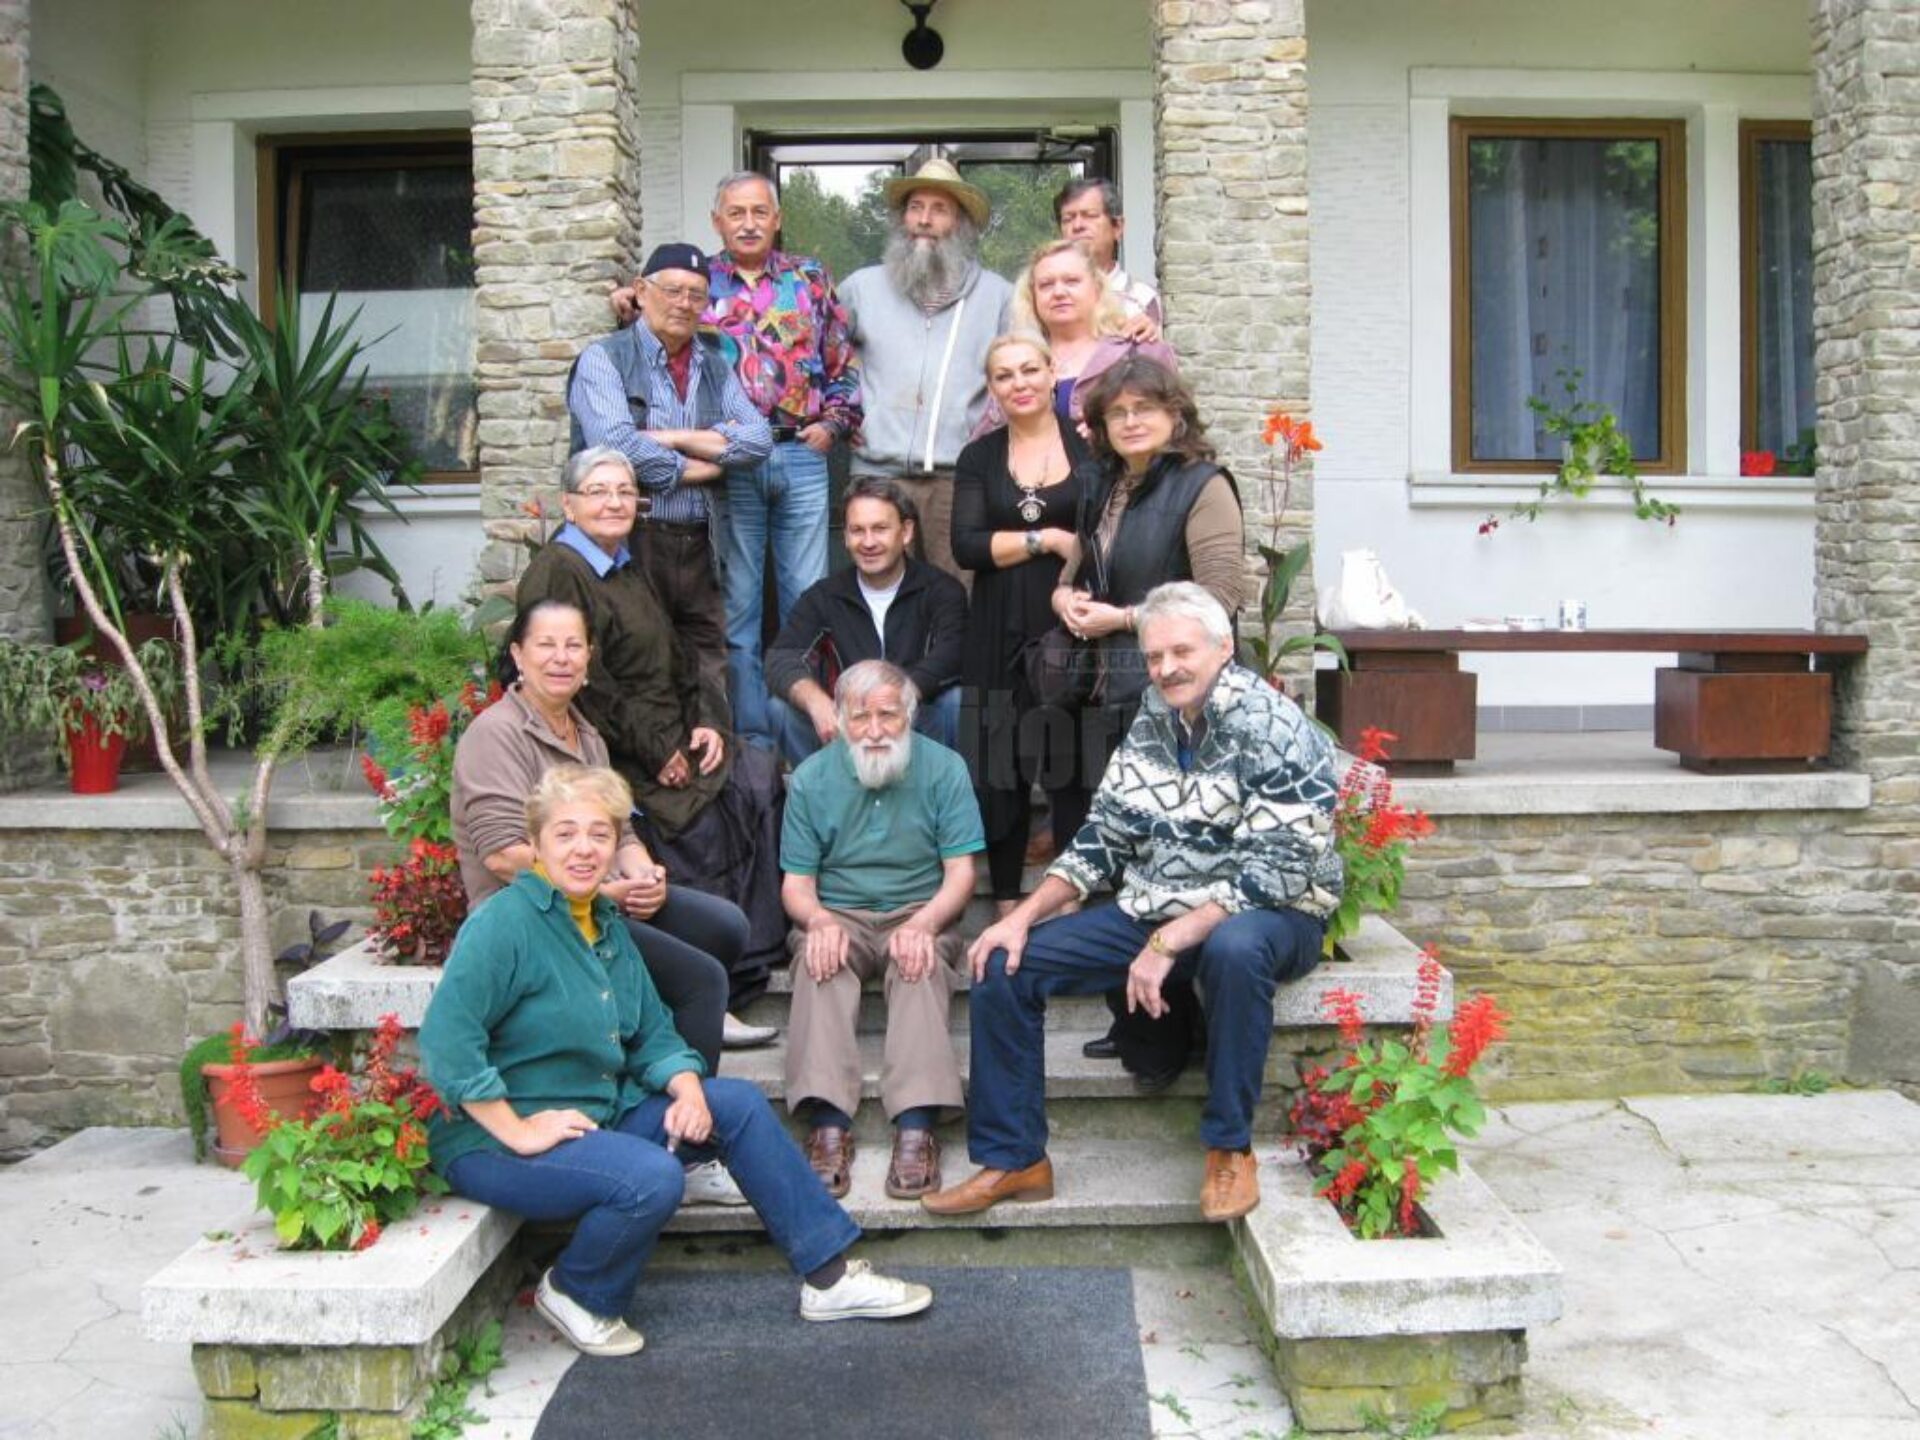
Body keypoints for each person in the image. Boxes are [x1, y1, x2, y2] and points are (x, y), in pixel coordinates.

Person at [421, 764, 933, 1358]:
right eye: (565, 833)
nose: (584, 848)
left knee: (736, 1105)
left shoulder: (604, 926)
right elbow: (447, 1041)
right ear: (535, 844)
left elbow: (654, 1034)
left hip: (594, 1116)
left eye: (599, 834)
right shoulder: (503, 924)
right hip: (495, 1142)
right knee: (651, 1177)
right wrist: (519, 1130)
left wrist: (688, 1089)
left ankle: (830, 1279)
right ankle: (577, 1289)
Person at [922, 584, 1342, 1225]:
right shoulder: (1154, 717)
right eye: (1153, 656)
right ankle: (1015, 1159)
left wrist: (1169, 941)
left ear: (1223, 648)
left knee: (1233, 950)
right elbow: (1105, 835)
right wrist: (1020, 918)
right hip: (1160, 906)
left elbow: (1276, 873)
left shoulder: (1273, 726)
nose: (1166, 668)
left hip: (1274, 912)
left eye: (1182, 652)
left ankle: (1229, 1148)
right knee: (1003, 963)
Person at [517, 447, 785, 1048]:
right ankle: (710, 993)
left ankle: (752, 958)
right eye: (598, 491)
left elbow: (678, 654)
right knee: (697, 818)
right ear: (569, 505)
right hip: (620, 751)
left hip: (671, 731)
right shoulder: (561, 572)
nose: (614, 503)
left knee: (757, 776)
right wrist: (660, 748)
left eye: (624, 492)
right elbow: (585, 681)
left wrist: (707, 721)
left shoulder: (624, 562)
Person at [452, 599, 756, 1094]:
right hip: (534, 915)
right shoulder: (496, 734)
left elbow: (622, 833)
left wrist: (646, 877)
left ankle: (642, 1049)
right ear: (519, 655)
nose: (561, 658)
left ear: (589, 658)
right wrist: (598, 893)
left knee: (724, 927)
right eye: (546, 645)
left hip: (595, 902)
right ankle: (683, 1119)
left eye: (574, 646)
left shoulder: (586, 735)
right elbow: (503, 855)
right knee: (700, 981)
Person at [1054, 356, 1247, 1085]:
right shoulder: (1103, 486)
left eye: (1145, 408)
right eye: (1117, 413)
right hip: (1101, 695)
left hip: (1176, 703)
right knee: (1118, 866)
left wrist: (1126, 619)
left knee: (1173, 864)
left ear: (1175, 415)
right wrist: (1065, 601)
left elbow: (1219, 596)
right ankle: (1135, 1023)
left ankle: (1177, 1033)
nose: (1131, 422)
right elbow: (1077, 573)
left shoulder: (1203, 485)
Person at [780, 661, 983, 1201]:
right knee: (820, 963)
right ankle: (828, 1127)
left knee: (918, 965)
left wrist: (925, 923)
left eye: (887, 715)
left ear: (909, 717)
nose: (873, 730)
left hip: (918, 909)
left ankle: (916, 1128)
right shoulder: (811, 777)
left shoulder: (945, 768)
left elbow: (961, 874)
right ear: (840, 718)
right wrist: (818, 920)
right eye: (859, 717)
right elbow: (797, 885)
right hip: (838, 912)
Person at [568, 242, 772, 702]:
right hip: (632, 534)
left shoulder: (715, 366)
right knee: (637, 660)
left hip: (702, 540)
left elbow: (759, 441)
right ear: (641, 292)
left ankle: (711, 748)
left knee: (707, 666)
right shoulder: (604, 359)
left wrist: (671, 436)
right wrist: (702, 467)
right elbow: (616, 448)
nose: (684, 303)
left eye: (697, 295)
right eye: (673, 290)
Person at [702, 172, 863, 752]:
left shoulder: (809, 278)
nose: (748, 223)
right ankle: (752, 745)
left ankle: (809, 741)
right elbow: (660, 337)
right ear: (717, 220)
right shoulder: (699, 282)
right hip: (732, 463)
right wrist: (627, 298)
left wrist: (834, 425)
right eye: (736, 213)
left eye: (759, 212)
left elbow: (841, 361)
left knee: (808, 603)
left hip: (800, 454)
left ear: (777, 218)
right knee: (739, 607)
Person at [950, 333, 1089, 911]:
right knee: (996, 763)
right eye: (1004, 375)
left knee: (1073, 760)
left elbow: (1102, 537)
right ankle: (1006, 902)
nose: (1020, 383)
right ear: (992, 388)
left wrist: (1033, 547)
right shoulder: (979, 457)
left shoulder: (1090, 450)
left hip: (1069, 625)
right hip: (995, 623)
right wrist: (1047, 538)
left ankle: (1070, 901)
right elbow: (967, 546)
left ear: (1053, 372)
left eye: (1030, 369)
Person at [841, 157, 1013, 580]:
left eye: (939, 210)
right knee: (882, 594)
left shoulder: (998, 296)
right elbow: (823, 358)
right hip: (877, 474)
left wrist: (988, 436)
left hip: (960, 477)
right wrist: (843, 413)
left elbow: (1018, 374)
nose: (924, 220)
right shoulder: (861, 288)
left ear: (961, 223)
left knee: (958, 594)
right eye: (916, 207)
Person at [763, 477, 967, 765]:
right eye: (857, 530)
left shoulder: (941, 590)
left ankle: (939, 789)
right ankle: (826, 792)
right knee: (781, 710)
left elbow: (953, 653)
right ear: (845, 537)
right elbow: (780, 658)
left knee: (957, 701)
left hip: (915, 722)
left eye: (880, 529)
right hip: (848, 729)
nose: (868, 542)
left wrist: (899, 697)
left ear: (906, 532)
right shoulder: (824, 596)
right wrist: (817, 703)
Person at [973, 239, 1176, 436]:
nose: (1059, 292)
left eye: (1071, 281)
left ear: (1097, 288)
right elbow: (986, 443)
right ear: (1032, 296)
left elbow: (1177, 429)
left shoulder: (1138, 350)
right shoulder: (1016, 362)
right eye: (1046, 285)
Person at [1054, 177, 1162, 326]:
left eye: (1090, 215)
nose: (1077, 226)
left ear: (1117, 227)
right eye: (1068, 219)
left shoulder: (1142, 299)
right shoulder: (1050, 296)